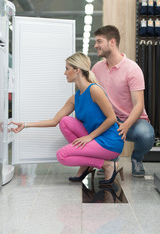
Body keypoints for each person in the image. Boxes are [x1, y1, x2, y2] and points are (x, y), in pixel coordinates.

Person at [11, 52, 124, 185]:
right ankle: (87, 164)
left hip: (110, 142)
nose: (65, 73)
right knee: (65, 121)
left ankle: (108, 165)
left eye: (67, 68)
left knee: (62, 155)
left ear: (77, 70)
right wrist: (25, 124)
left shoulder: (95, 90)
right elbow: (54, 121)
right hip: (96, 139)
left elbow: (111, 118)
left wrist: (89, 137)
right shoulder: (76, 97)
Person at [92, 25, 155, 177]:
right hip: (110, 120)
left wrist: (125, 126)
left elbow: (139, 105)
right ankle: (110, 160)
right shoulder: (96, 68)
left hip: (133, 122)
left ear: (112, 42)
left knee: (146, 134)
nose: (95, 46)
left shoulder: (132, 69)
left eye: (99, 41)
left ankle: (137, 159)